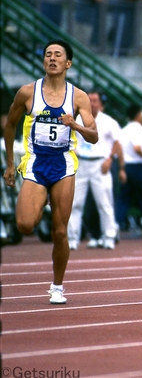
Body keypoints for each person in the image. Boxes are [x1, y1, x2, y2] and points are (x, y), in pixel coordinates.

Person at [3, 39, 98, 304]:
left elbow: (94, 136)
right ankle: (40, 196)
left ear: (68, 63)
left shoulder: (77, 96)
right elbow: (9, 125)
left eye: (58, 55)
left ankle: (57, 286)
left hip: (63, 164)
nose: (52, 59)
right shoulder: (27, 92)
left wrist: (75, 126)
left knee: (59, 231)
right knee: (24, 224)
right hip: (36, 162)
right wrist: (11, 164)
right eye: (48, 55)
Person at [67, 90, 124, 250]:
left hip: (100, 163)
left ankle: (109, 236)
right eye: (89, 100)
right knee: (75, 202)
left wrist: (110, 159)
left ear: (100, 103)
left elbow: (117, 142)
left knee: (104, 202)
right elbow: (70, 138)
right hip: (81, 163)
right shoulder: (77, 119)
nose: (92, 103)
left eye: (95, 100)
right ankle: (72, 238)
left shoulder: (108, 122)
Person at [117, 104, 142, 235]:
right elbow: (137, 147)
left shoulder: (124, 129)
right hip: (139, 166)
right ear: (138, 114)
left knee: (124, 199)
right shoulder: (139, 129)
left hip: (126, 166)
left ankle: (116, 224)